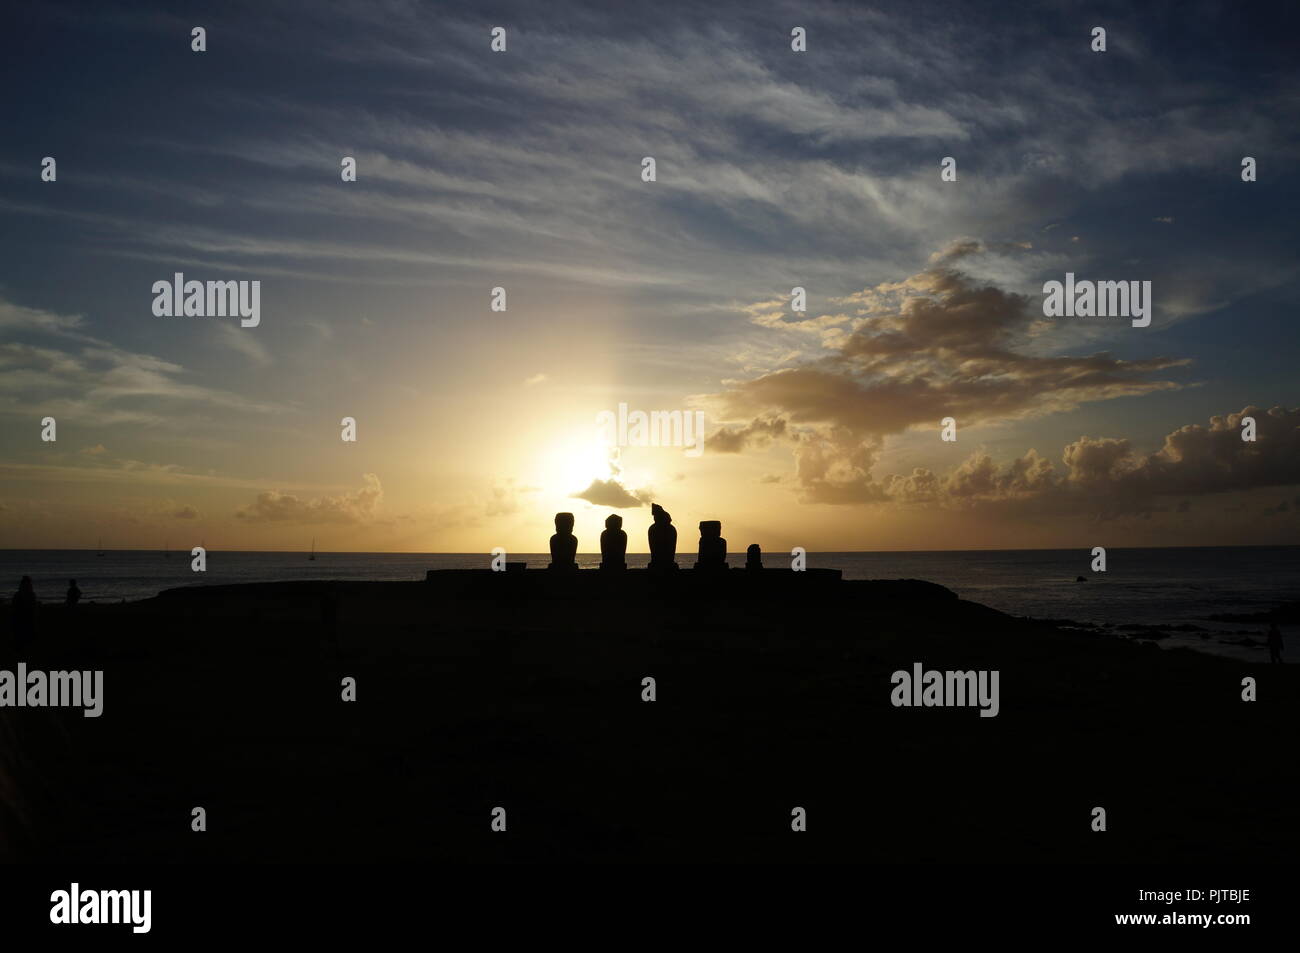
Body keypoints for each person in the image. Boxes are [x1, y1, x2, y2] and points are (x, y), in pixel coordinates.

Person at [647, 503, 677, 571]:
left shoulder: (670, 529)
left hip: (665, 562)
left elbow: (671, 548)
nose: (654, 518)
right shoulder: (653, 529)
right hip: (659, 562)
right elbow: (653, 548)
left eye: (655, 516)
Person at [12, 576, 37, 653]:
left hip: (23, 618)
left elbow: (14, 606)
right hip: (24, 618)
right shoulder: (30, 594)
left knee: (23, 638)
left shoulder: (19, 594)